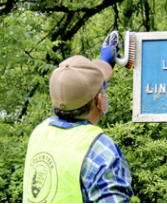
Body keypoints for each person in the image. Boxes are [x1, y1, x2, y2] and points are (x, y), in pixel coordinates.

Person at [23, 31, 134, 203]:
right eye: (103, 89)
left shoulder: (40, 133)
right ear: (99, 101)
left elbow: (74, 90)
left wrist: (105, 63)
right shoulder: (101, 151)